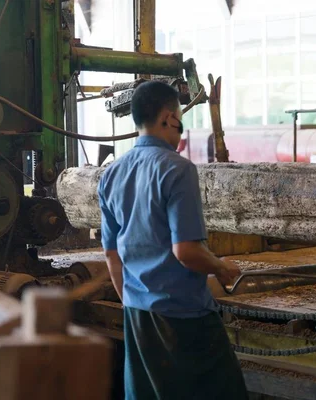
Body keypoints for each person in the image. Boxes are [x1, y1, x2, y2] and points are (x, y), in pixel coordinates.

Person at [98, 81, 248, 400]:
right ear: (168, 118)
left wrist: (132, 302)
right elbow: (186, 251)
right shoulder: (177, 169)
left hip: (138, 315)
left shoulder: (111, 174)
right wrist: (221, 267)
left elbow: (111, 254)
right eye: (180, 119)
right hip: (184, 318)